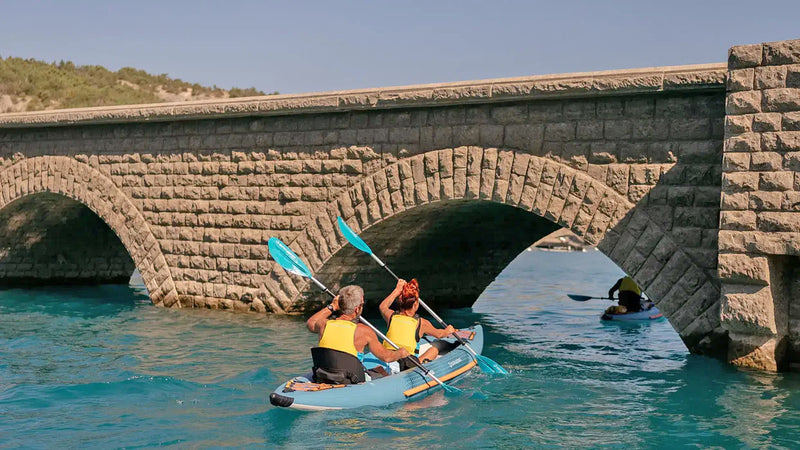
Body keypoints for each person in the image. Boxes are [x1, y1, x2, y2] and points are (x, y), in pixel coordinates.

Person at [306, 284, 409, 385]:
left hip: (324, 376)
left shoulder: (323, 324)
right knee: (382, 371)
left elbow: (311, 323)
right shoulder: (364, 331)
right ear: (357, 309)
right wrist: (401, 353)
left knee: (378, 369)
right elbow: (386, 357)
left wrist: (332, 306)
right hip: (351, 380)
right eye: (362, 304)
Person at [379, 278, 456, 371]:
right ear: (415, 304)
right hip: (405, 362)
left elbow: (382, 306)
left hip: (388, 357)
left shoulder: (391, 316)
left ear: (401, 301)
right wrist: (448, 330)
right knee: (435, 348)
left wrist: (397, 290)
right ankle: (422, 361)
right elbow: (439, 334)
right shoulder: (421, 323)